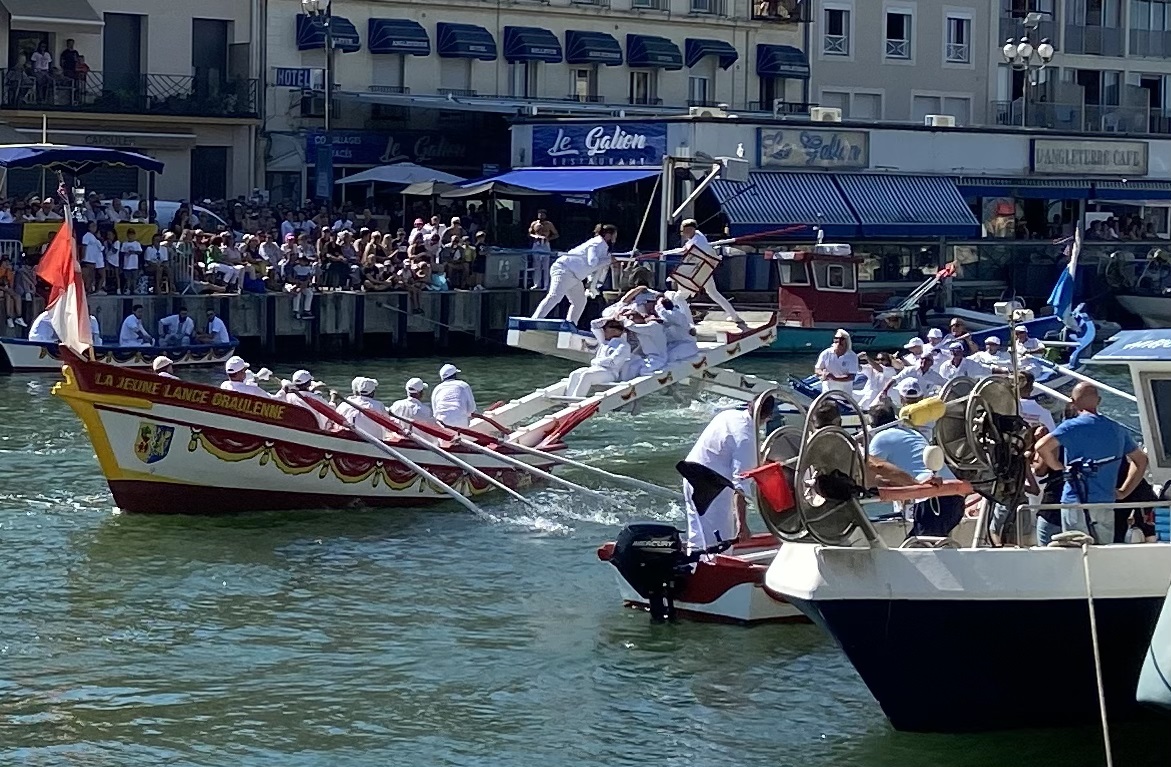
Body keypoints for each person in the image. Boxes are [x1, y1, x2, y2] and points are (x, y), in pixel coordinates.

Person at [1035, 383, 1148, 544]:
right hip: (1105, 501)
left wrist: (1058, 467)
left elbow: (1041, 447)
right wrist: (1124, 491)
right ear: (1099, 400)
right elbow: (1141, 460)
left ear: (1073, 402)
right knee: (1101, 553)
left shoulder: (1070, 427)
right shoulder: (1116, 429)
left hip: (1074, 501)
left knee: (1076, 553)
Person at [682, 393, 775, 554]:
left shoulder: (727, 414)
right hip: (711, 487)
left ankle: (693, 567)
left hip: (690, 473)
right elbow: (740, 488)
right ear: (769, 417)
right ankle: (712, 573)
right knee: (720, 543)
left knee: (697, 535)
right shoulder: (746, 439)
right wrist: (742, 525)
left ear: (748, 405)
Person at [867, 400, 963, 538]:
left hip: (931, 497)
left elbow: (876, 468)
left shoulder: (880, 438)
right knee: (920, 545)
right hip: (954, 496)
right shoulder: (912, 433)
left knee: (920, 551)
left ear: (872, 425)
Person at [530, 224, 617, 325]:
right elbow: (593, 262)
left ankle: (570, 326)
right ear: (608, 235)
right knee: (555, 296)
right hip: (564, 270)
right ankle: (534, 321)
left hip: (575, 276)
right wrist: (608, 260)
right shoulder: (596, 243)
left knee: (579, 301)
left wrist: (592, 282)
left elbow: (597, 265)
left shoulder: (603, 246)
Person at [678, 219, 744, 328]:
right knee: (713, 293)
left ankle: (686, 323)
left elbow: (690, 254)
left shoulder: (697, 243)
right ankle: (734, 315)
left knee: (681, 296)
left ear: (691, 230)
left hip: (699, 271)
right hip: (704, 269)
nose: (683, 234)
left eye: (684, 231)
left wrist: (684, 251)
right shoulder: (698, 235)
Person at [565, 318, 631, 397]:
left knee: (587, 375)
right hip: (595, 369)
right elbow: (594, 325)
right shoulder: (604, 341)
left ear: (614, 331)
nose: (604, 331)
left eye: (606, 329)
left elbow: (612, 362)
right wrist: (611, 317)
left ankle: (576, 400)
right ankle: (567, 399)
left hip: (609, 373)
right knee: (575, 374)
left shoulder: (623, 346)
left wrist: (595, 361)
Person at [881, 352, 945, 400]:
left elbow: (945, 384)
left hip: (920, 401)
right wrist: (884, 390)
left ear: (931, 363)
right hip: (903, 399)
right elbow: (894, 379)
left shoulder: (934, 376)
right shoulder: (910, 370)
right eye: (923, 359)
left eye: (927, 360)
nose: (924, 361)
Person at [430, 363, 477, 428]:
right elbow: (472, 408)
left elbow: (435, 412)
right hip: (460, 422)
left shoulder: (436, 389)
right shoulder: (463, 385)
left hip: (441, 423)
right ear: (454, 375)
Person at [815, 329, 859, 395]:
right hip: (827, 393)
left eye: (841, 339)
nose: (838, 341)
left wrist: (834, 378)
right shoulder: (826, 353)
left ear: (847, 341)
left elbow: (851, 377)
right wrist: (823, 373)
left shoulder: (852, 356)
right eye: (836, 338)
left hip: (844, 394)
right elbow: (817, 369)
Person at [657, 293, 698, 362]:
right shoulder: (669, 315)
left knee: (670, 357)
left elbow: (668, 316)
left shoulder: (676, 314)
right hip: (674, 344)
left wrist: (658, 308)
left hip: (686, 344)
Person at [528, 209, 559, 291]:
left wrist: (548, 238)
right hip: (536, 244)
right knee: (536, 265)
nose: (541, 216)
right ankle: (536, 284)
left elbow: (556, 234)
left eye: (543, 214)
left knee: (545, 265)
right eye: (540, 214)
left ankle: (546, 285)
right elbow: (529, 233)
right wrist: (534, 236)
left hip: (545, 244)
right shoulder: (534, 223)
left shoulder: (549, 224)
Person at [120, 228, 143, 294]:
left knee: (134, 277)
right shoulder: (124, 243)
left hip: (134, 264)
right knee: (128, 278)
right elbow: (122, 252)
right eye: (129, 234)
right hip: (127, 264)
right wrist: (127, 253)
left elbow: (140, 252)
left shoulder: (137, 243)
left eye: (132, 234)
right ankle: (128, 289)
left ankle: (135, 288)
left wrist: (133, 252)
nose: (131, 236)